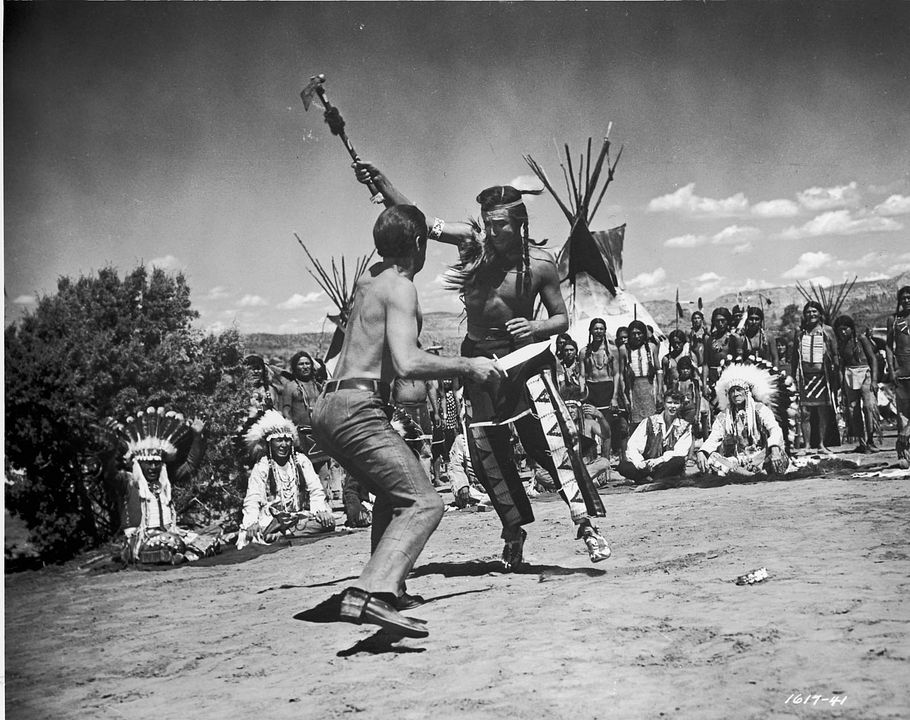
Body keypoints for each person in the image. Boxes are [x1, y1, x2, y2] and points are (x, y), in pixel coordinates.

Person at [354, 161, 610, 571]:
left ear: (519, 222)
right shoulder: (471, 245)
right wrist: (382, 182)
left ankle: (585, 525)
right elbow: (414, 220)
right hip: (479, 361)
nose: (492, 232)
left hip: (525, 358)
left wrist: (536, 325)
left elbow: (563, 319)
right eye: (488, 224)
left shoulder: (540, 265)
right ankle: (513, 532)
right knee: (489, 451)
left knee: (552, 441)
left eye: (501, 225)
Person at [310, 203, 503, 639]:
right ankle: (373, 592)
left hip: (328, 406)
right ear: (418, 245)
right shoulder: (400, 288)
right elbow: (407, 361)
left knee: (391, 493)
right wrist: (468, 366)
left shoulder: (368, 279)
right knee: (425, 502)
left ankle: (389, 588)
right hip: (358, 409)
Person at [114, 408, 219, 564]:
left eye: (157, 464)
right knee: (169, 542)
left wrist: (197, 436)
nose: (152, 468)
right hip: (142, 539)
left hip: (170, 533)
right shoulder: (129, 482)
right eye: (148, 464)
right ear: (138, 464)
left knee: (212, 537)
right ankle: (175, 554)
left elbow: (190, 465)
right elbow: (109, 474)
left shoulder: (165, 480)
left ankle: (181, 555)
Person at [237, 410, 335, 548]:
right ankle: (282, 533)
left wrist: (320, 511)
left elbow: (316, 490)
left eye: (287, 440)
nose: (284, 445)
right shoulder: (262, 466)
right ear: (269, 443)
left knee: (327, 523)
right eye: (279, 440)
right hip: (271, 520)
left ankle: (282, 535)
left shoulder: (301, 461)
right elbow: (253, 498)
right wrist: (251, 522)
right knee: (254, 532)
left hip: (297, 518)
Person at [697, 363, 790, 479]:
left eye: (738, 390)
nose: (736, 394)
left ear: (747, 392)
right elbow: (714, 437)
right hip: (738, 461)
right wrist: (702, 451)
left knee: (779, 457)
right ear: (728, 395)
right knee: (712, 460)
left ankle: (747, 473)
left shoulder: (760, 410)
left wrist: (774, 447)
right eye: (732, 391)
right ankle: (749, 474)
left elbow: (774, 429)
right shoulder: (724, 416)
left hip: (761, 456)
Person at [617, 389, 691, 489]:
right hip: (646, 467)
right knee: (623, 465)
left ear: (681, 405)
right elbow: (633, 445)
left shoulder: (684, 426)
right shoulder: (650, 421)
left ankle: (648, 480)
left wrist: (658, 461)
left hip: (665, 466)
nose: (672, 406)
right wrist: (640, 463)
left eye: (676, 403)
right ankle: (652, 479)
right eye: (669, 402)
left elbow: (680, 452)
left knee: (678, 461)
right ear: (664, 403)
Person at [792, 301, 839, 453]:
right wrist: (794, 377)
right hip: (805, 378)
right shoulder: (800, 333)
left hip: (822, 377)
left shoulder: (827, 331)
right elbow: (794, 357)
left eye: (814, 311)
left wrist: (836, 375)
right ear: (804, 315)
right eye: (808, 312)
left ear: (820, 313)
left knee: (822, 411)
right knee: (805, 412)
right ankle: (806, 446)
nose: (811, 314)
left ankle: (821, 444)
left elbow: (835, 354)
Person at [578, 317, 627, 456]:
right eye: (596, 328)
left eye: (601, 328)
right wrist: (582, 392)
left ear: (605, 331)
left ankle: (605, 462)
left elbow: (617, 374)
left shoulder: (612, 350)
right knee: (588, 425)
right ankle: (591, 460)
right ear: (591, 331)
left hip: (607, 389)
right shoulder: (584, 352)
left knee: (606, 428)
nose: (598, 331)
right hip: (590, 390)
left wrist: (615, 397)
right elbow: (582, 375)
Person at [834, 315, 879, 453]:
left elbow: (873, 359)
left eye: (845, 329)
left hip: (865, 374)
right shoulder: (840, 343)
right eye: (840, 330)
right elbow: (841, 365)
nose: (843, 332)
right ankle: (862, 442)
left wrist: (875, 380)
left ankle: (871, 439)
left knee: (868, 407)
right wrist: (841, 385)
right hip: (849, 375)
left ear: (851, 328)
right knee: (853, 410)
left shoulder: (861, 339)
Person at [619, 319, 662, 427]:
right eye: (633, 334)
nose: (637, 336)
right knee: (636, 425)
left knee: (652, 424)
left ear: (644, 334)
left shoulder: (651, 347)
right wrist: (625, 397)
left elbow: (658, 370)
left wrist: (659, 392)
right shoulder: (623, 349)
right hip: (633, 391)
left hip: (650, 389)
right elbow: (620, 375)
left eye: (639, 333)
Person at [885, 286, 910, 466]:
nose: (907, 301)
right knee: (902, 414)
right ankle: (904, 453)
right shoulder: (894, 320)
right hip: (901, 372)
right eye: (904, 298)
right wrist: (892, 369)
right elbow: (888, 346)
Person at [702, 307, 741, 415]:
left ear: (728, 321)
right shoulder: (708, 339)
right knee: (714, 410)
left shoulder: (734, 338)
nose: (720, 323)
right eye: (717, 321)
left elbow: (739, 362)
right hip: (713, 378)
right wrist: (704, 384)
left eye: (723, 320)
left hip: (730, 378)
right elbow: (705, 363)